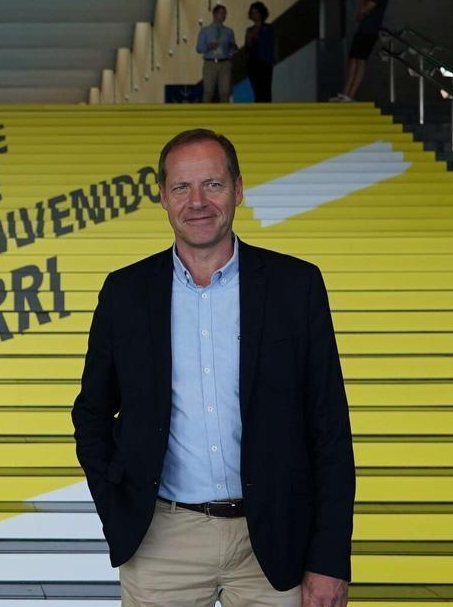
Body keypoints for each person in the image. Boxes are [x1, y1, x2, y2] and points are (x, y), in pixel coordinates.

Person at [71, 128, 355, 606]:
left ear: (239, 189)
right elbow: (92, 414)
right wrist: (118, 507)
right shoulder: (125, 293)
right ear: (161, 196)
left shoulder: (296, 285)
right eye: (181, 187)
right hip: (163, 540)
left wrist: (329, 559)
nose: (197, 202)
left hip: (277, 540)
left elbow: (329, 429)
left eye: (213, 184)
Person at [332, 0, 388, 102]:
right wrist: (364, 1)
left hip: (369, 31)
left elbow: (363, 11)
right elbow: (358, 16)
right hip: (363, 30)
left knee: (361, 60)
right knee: (353, 60)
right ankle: (346, 93)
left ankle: (350, 95)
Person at [196, 5, 238, 103]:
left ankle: (225, 115)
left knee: (225, 91)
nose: (224, 16)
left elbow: (232, 50)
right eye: (221, 13)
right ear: (214, 14)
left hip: (225, 63)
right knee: (208, 91)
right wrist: (208, 47)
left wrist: (233, 48)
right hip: (210, 62)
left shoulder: (229, 31)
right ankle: (205, 115)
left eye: (225, 13)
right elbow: (199, 48)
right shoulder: (205, 31)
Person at [245, 1, 275, 103]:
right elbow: (247, 47)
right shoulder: (249, 30)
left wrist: (257, 37)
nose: (254, 15)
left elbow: (270, 44)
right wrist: (249, 39)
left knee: (266, 88)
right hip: (253, 62)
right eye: (252, 13)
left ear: (262, 13)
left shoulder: (268, 28)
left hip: (265, 62)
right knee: (256, 88)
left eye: (256, 12)